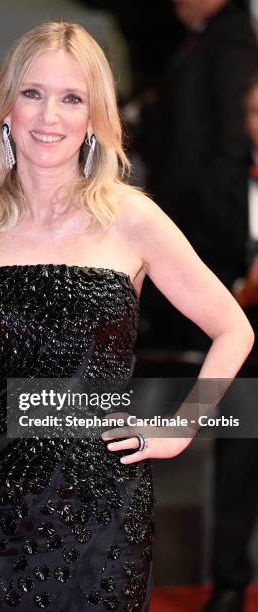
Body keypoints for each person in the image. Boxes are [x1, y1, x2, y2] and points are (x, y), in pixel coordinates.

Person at [0, 21, 254, 611]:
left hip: (100, 506)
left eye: (71, 97)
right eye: (32, 93)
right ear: (6, 105)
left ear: (94, 116)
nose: (48, 116)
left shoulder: (132, 218)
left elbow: (234, 327)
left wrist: (182, 427)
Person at [142, 0, 258, 350]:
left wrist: (209, 210)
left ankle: (204, 407)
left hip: (211, 223)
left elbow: (231, 136)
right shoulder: (207, 36)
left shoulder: (230, 36)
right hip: (195, 218)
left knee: (216, 336)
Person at [201, 76, 258, 612]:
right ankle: (228, 584)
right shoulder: (222, 180)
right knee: (236, 467)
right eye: (253, 110)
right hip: (242, 339)